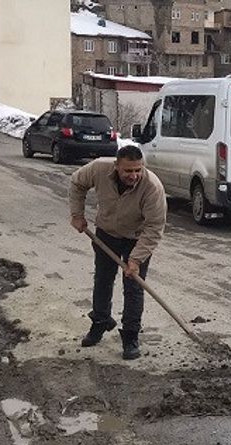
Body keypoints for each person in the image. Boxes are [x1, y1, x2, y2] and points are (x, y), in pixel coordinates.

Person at [69, 145, 167, 360]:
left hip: (137, 238)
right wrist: (77, 214)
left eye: (137, 170)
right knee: (103, 279)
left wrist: (136, 259)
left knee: (134, 286)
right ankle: (100, 322)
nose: (134, 175)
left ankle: (130, 336)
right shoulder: (98, 169)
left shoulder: (152, 187)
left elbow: (154, 226)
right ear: (116, 167)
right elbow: (77, 183)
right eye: (128, 171)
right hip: (107, 233)